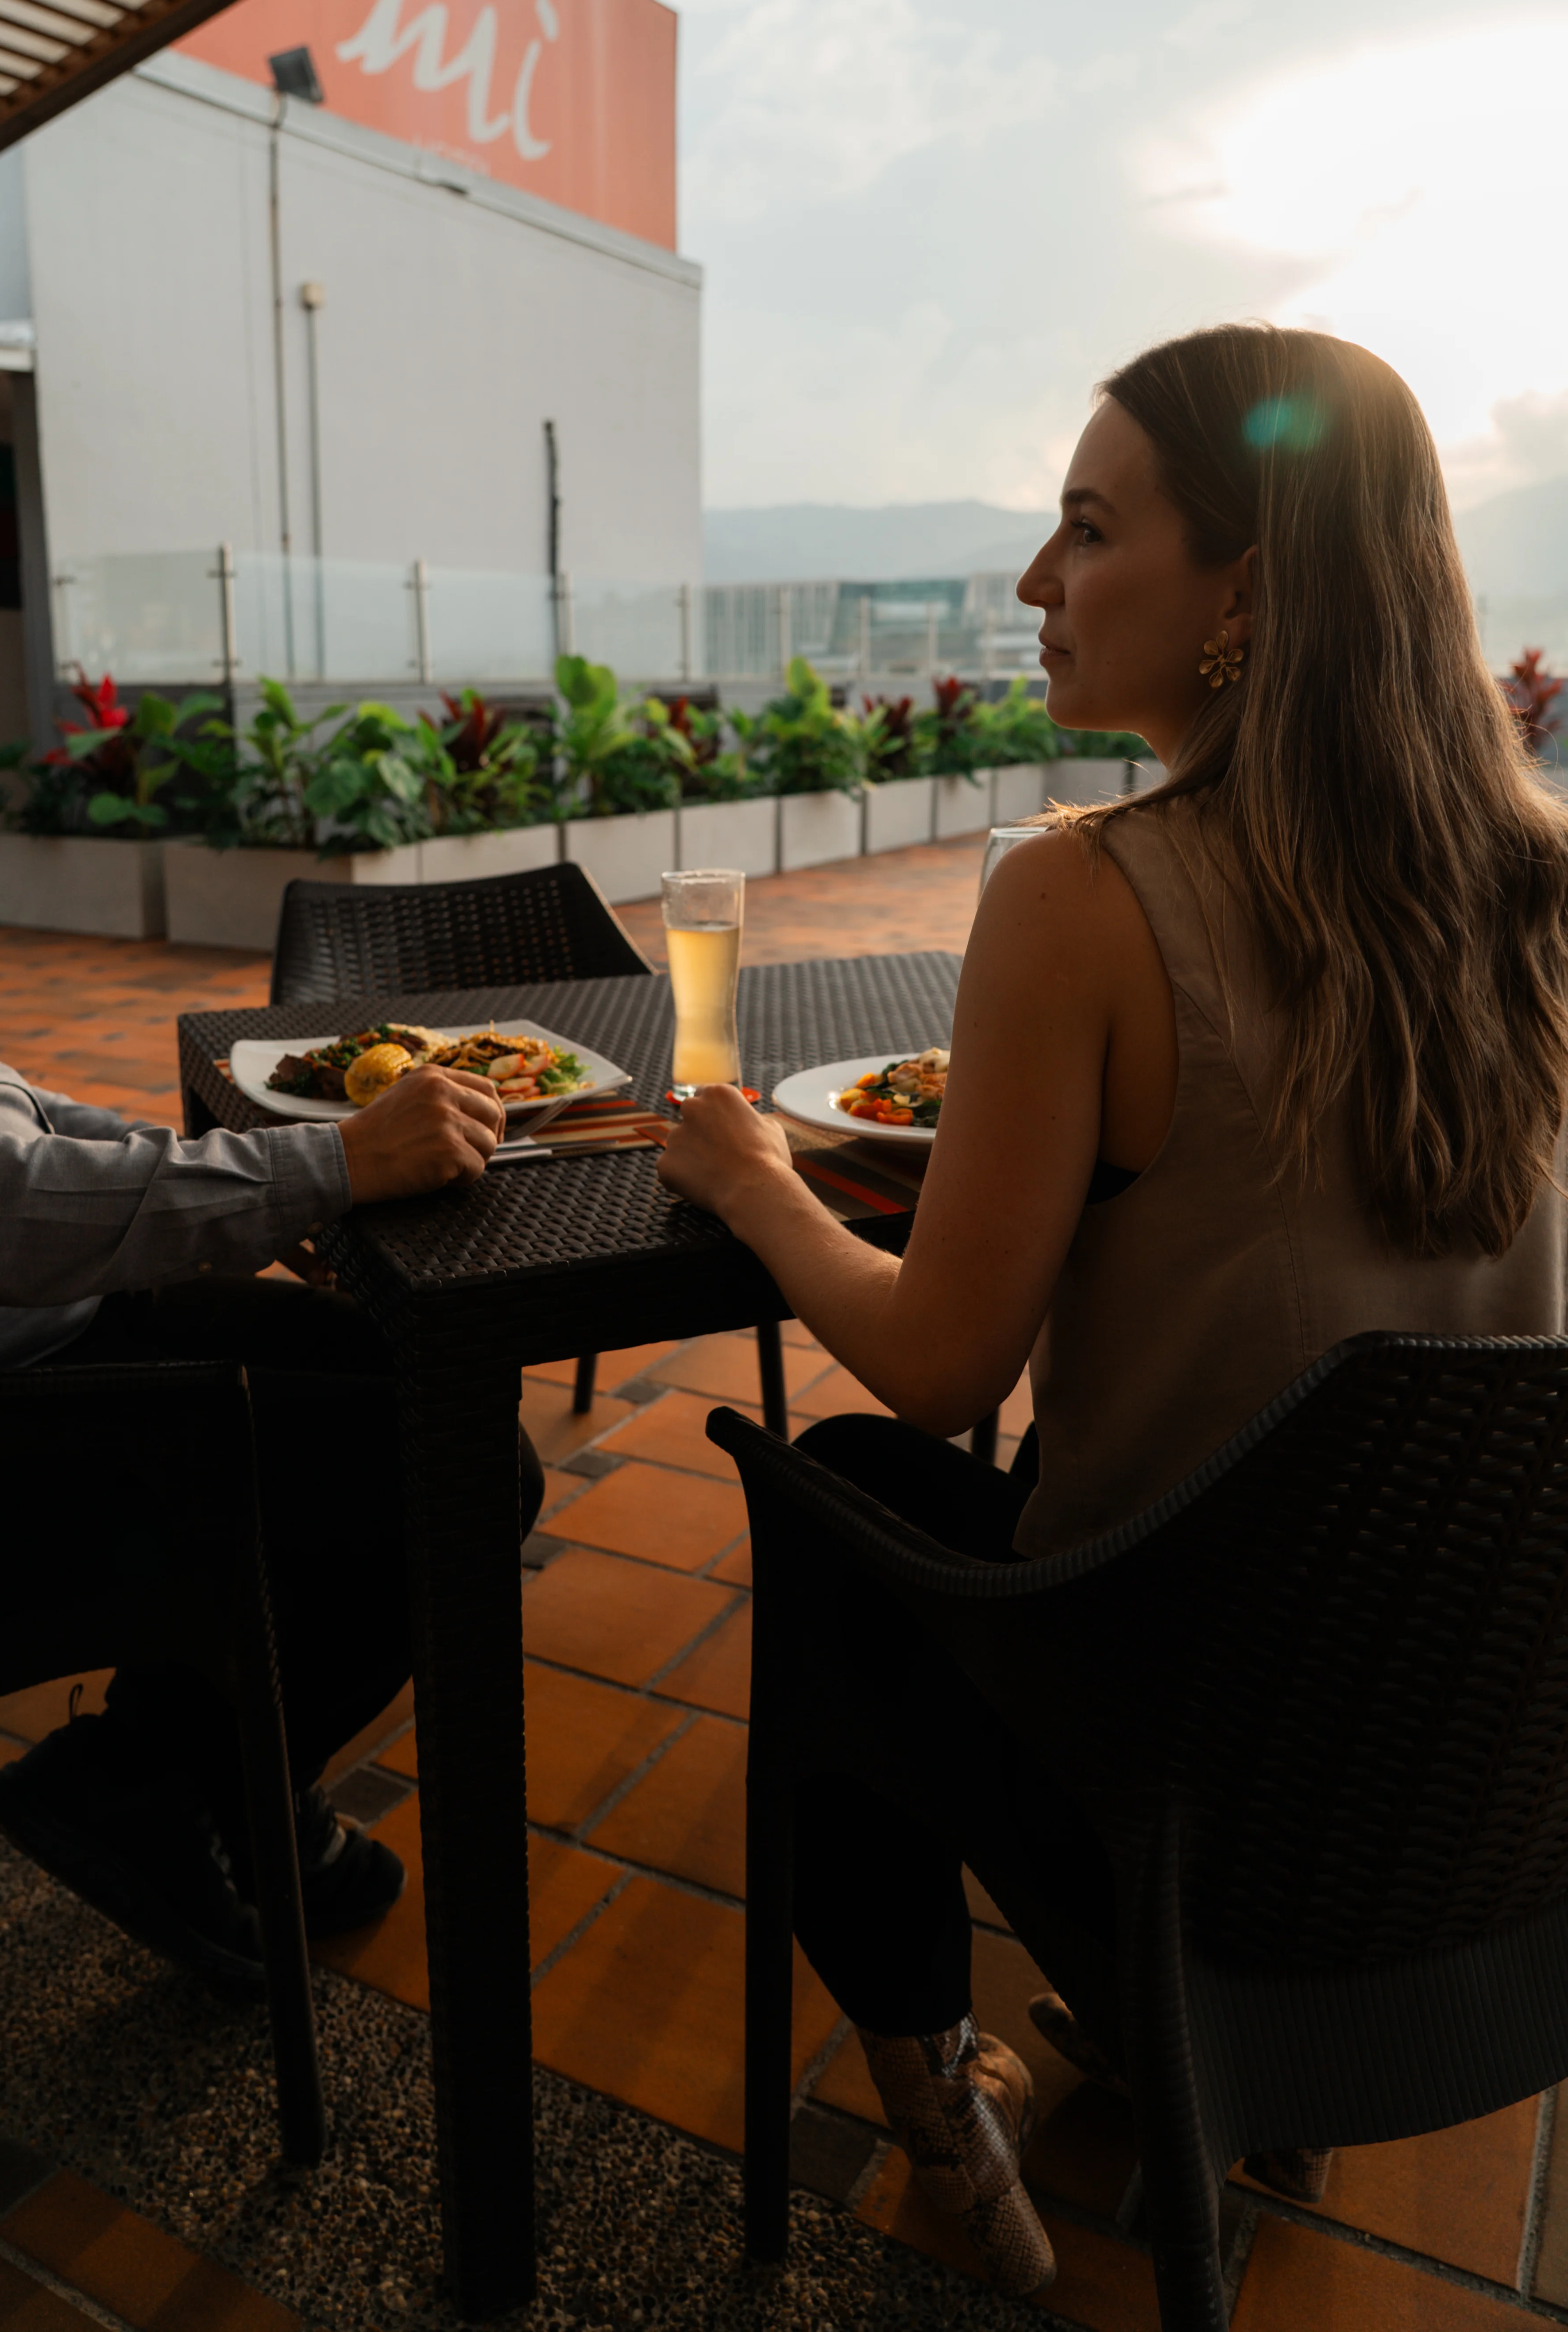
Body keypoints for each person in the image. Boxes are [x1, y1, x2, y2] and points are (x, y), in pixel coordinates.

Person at [656, 325, 1568, 2294]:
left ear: (1249, 590)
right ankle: (1268, 2090)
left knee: (846, 1492)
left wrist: (747, 1178)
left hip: (1184, 1804)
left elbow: (936, 1358)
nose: (1030, 587)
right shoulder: (1534, 889)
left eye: (1085, 529)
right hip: (1479, 1778)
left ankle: (936, 2118)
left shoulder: (1088, 897)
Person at [0, 468, 542, 1998]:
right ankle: (171, 1780)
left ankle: (200, 1780)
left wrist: (258, 1193)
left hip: (25, 1329)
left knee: (411, 1384)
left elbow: (1, 1114)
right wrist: (311, 1180)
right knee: (447, 1454)